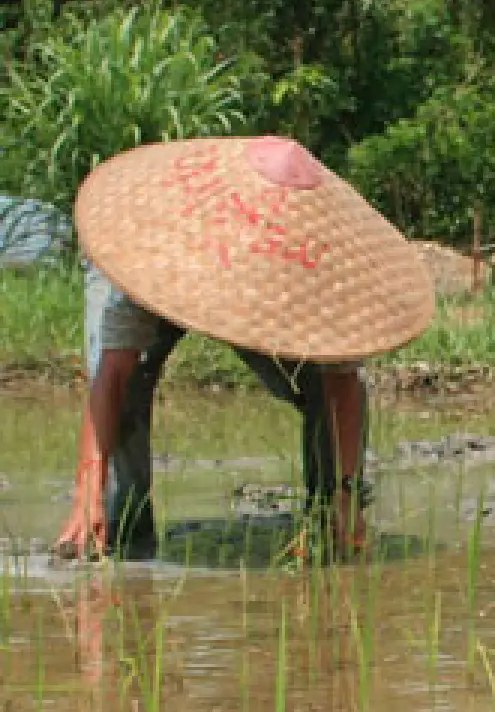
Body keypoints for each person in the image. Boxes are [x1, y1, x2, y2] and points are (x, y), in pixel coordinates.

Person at [53, 136, 436, 561]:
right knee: (117, 456)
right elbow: (114, 376)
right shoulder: (147, 252)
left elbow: (341, 387)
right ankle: (115, 532)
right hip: (165, 256)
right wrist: (85, 494)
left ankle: (331, 522)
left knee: (318, 384)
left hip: (275, 286)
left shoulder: (325, 279)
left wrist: (346, 498)